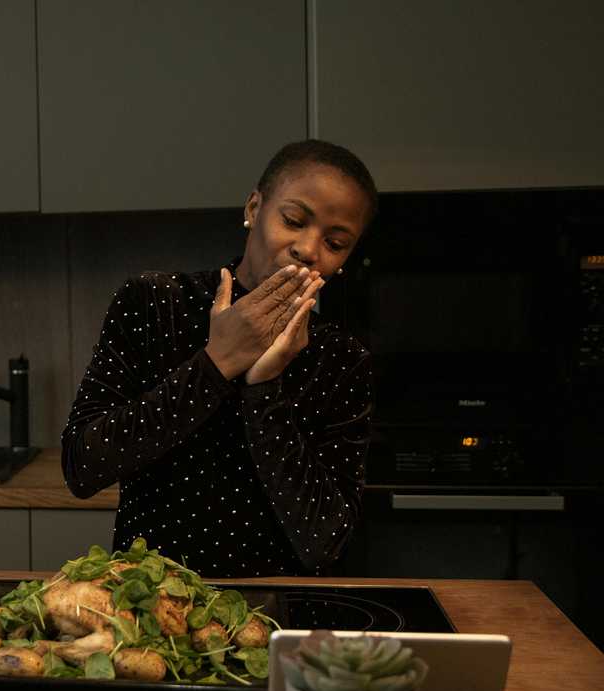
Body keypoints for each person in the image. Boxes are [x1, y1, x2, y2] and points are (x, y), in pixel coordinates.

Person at [61, 139, 377, 577]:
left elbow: (326, 543)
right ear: (253, 208)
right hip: (152, 600)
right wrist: (216, 363)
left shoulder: (342, 358)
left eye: (335, 242)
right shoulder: (154, 303)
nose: (309, 249)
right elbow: (81, 467)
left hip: (278, 607)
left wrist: (264, 389)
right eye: (293, 220)